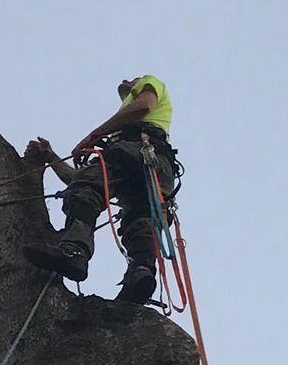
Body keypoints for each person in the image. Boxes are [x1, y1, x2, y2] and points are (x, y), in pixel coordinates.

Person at [28, 75, 179, 305]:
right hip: (156, 165)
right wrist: (50, 156)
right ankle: (140, 274)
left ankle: (75, 252)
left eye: (132, 78)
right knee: (139, 219)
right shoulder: (129, 131)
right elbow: (76, 180)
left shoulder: (147, 83)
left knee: (87, 191)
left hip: (137, 150)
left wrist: (94, 136)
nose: (127, 79)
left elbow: (142, 106)